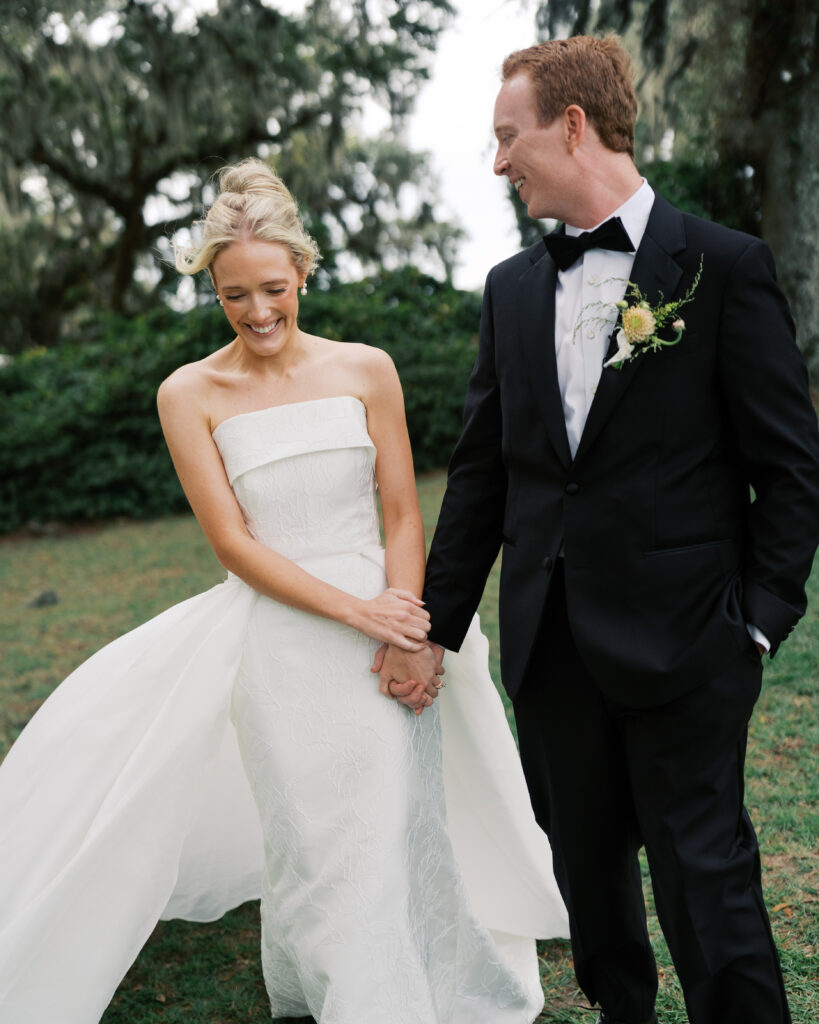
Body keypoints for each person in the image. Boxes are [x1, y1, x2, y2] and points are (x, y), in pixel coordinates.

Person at [0, 159, 569, 1024]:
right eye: (234, 296)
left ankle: (399, 991)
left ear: (304, 270)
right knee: (314, 834)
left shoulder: (366, 368)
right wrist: (354, 610)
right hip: (283, 639)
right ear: (212, 291)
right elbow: (233, 544)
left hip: (391, 621)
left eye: (273, 288)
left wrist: (407, 626)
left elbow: (405, 512)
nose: (258, 312)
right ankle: (341, 991)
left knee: (389, 821)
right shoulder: (187, 394)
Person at [376, 35, 819, 1024]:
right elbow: (486, 473)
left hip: (690, 643)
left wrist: (758, 621)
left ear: (571, 126)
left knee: (708, 884)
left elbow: (789, 468)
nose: (497, 164)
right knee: (592, 892)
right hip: (551, 646)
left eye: (507, 138)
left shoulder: (721, 265)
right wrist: (433, 628)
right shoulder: (511, 292)